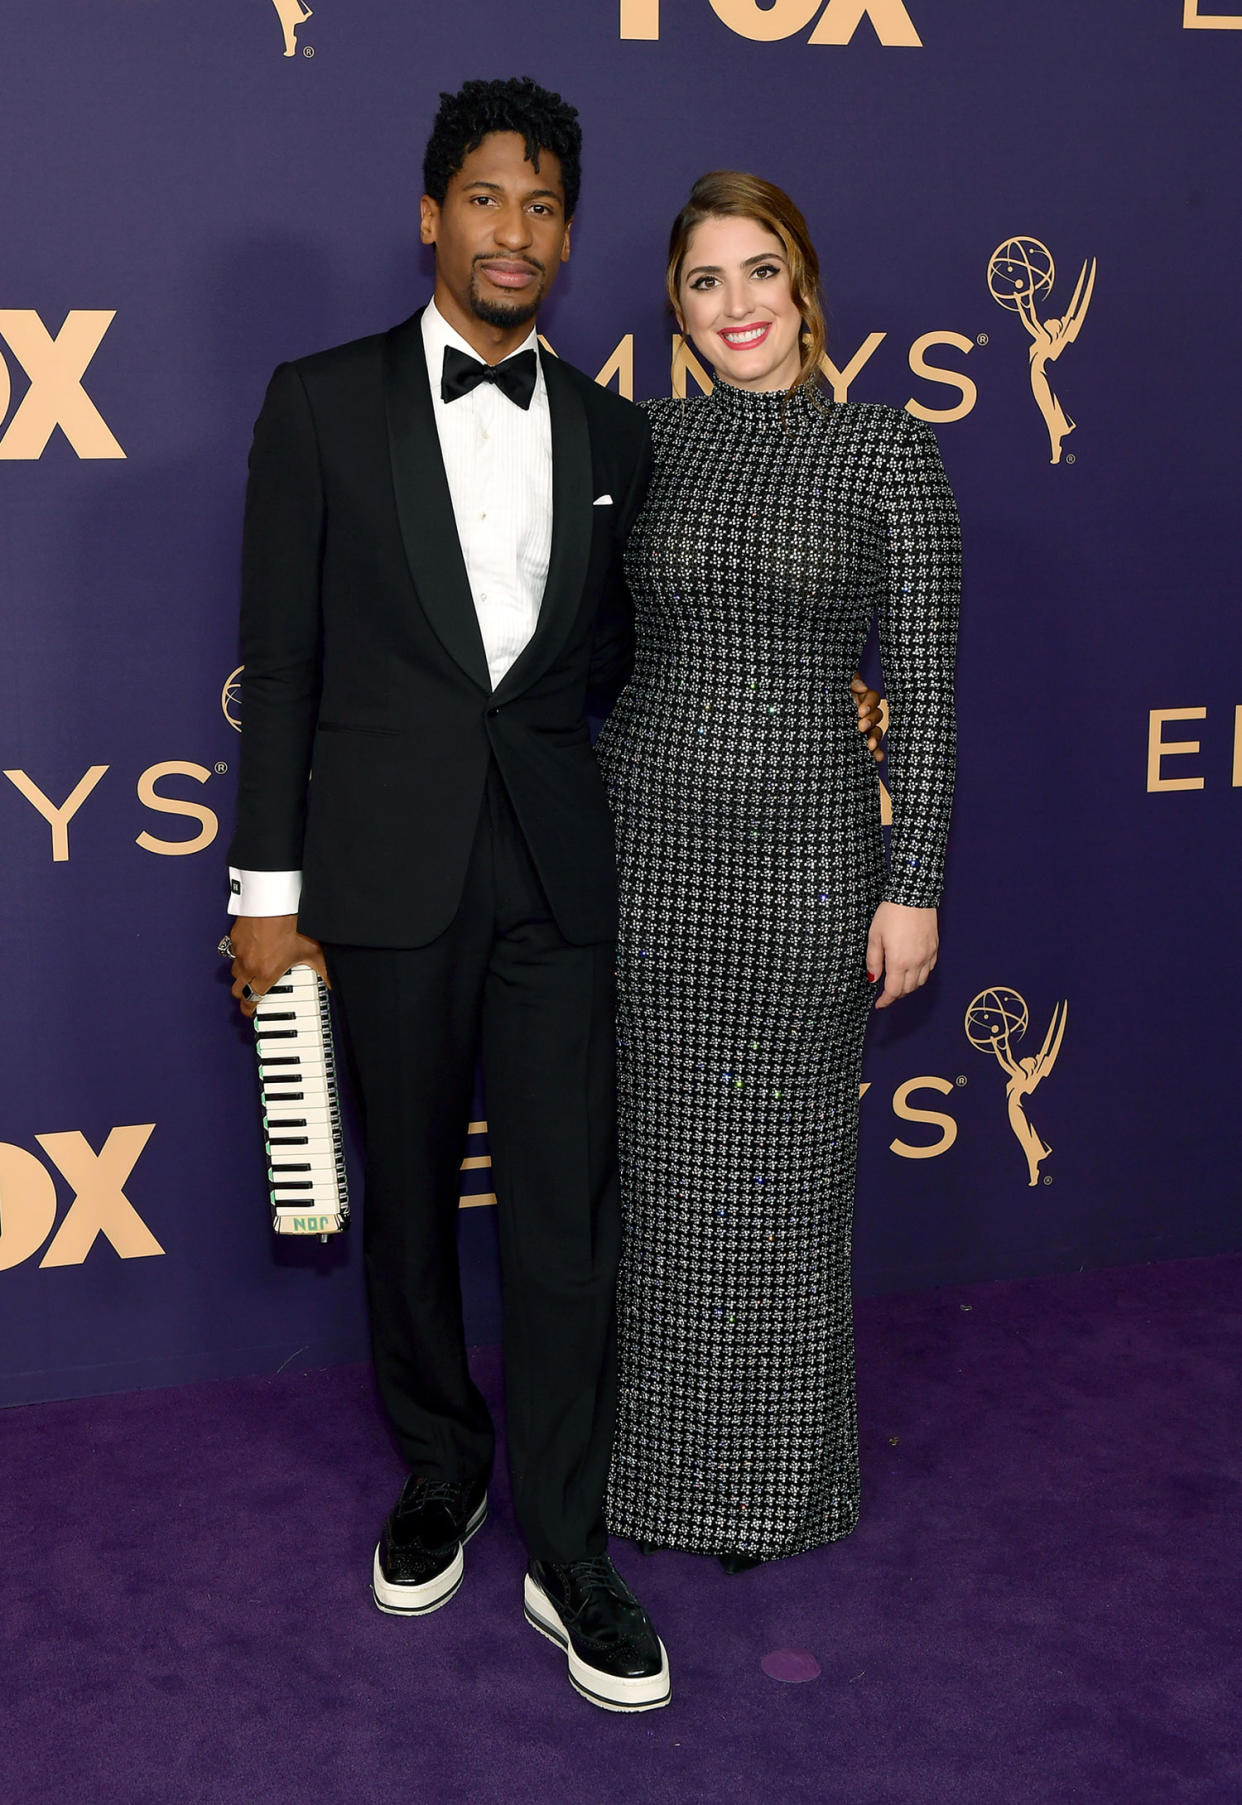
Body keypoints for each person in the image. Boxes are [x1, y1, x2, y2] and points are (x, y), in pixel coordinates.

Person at [222, 77, 674, 1714]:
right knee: (406, 1202)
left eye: (543, 205)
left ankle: (568, 1547)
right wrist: (266, 893)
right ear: (433, 215)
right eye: (486, 198)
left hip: (558, 871)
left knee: (566, 1217)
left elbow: (625, 657)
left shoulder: (618, 431)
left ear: (567, 232)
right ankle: (440, 1467)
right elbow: (280, 669)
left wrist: (819, 698)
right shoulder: (321, 402)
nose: (515, 231)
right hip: (385, 870)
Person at [597, 172, 960, 1572]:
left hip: (814, 860)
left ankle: (777, 1489)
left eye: (759, 272)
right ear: (675, 309)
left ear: (802, 284)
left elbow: (922, 687)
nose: (734, 305)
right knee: (664, 1180)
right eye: (703, 281)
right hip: (647, 853)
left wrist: (910, 875)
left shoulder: (885, 450)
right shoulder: (642, 443)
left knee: (788, 1183)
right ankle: (649, 1481)